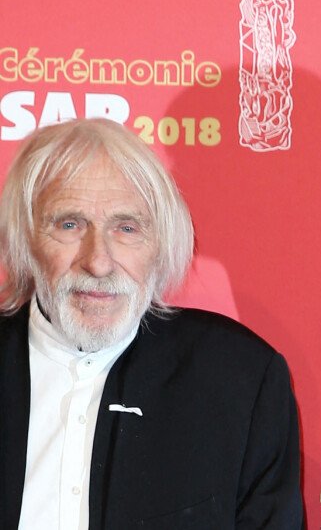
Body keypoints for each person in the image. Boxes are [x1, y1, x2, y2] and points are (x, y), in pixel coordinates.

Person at [0, 118, 304, 530]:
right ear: (25, 238)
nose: (99, 261)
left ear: (160, 244)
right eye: (69, 225)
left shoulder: (241, 378)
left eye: (126, 228)